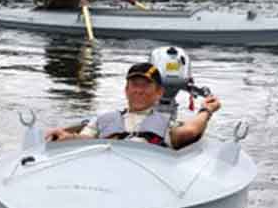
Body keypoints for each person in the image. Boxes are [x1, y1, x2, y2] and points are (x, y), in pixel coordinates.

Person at [45, 62, 221, 149]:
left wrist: (206, 110)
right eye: (134, 85)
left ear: (159, 92)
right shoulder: (102, 120)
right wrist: (67, 137)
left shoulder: (167, 123)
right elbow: (86, 142)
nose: (139, 90)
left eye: (145, 85)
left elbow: (190, 132)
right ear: (126, 90)